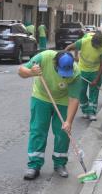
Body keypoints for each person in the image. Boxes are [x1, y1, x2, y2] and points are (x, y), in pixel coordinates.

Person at [18, 50, 81, 180]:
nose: (64, 77)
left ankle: (60, 164)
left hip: (63, 100)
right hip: (41, 97)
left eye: (66, 74)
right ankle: (34, 165)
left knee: (63, 132)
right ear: (55, 63)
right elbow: (21, 71)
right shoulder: (44, 57)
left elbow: (74, 98)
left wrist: (68, 121)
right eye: (61, 72)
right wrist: (31, 72)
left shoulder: (75, 73)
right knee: (38, 130)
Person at [65, 31, 102, 121]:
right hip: (82, 70)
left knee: (94, 92)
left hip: (95, 71)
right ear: (92, 41)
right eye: (94, 46)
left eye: (98, 47)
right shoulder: (84, 41)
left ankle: (92, 112)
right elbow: (69, 47)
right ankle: (85, 110)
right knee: (81, 92)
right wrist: (68, 58)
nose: (96, 48)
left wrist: (96, 79)